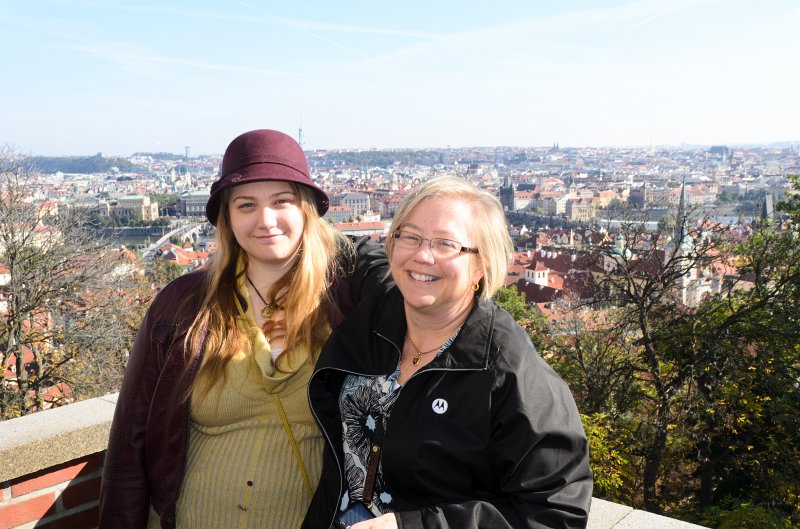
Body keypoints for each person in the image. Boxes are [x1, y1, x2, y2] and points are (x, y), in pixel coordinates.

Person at [99, 129, 387, 529]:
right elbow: (132, 439)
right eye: (246, 204)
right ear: (228, 217)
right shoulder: (184, 304)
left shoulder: (345, 299)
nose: (265, 220)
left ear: (306, 208)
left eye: (281, 201)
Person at [303, 176, 593, 529]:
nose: (422, 255)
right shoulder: (381, 308)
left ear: (481, 265)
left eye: (446, 244)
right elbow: (347, 249)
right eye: (409, 236)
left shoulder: (510, 370)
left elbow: (554, 514)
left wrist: (409, 527)